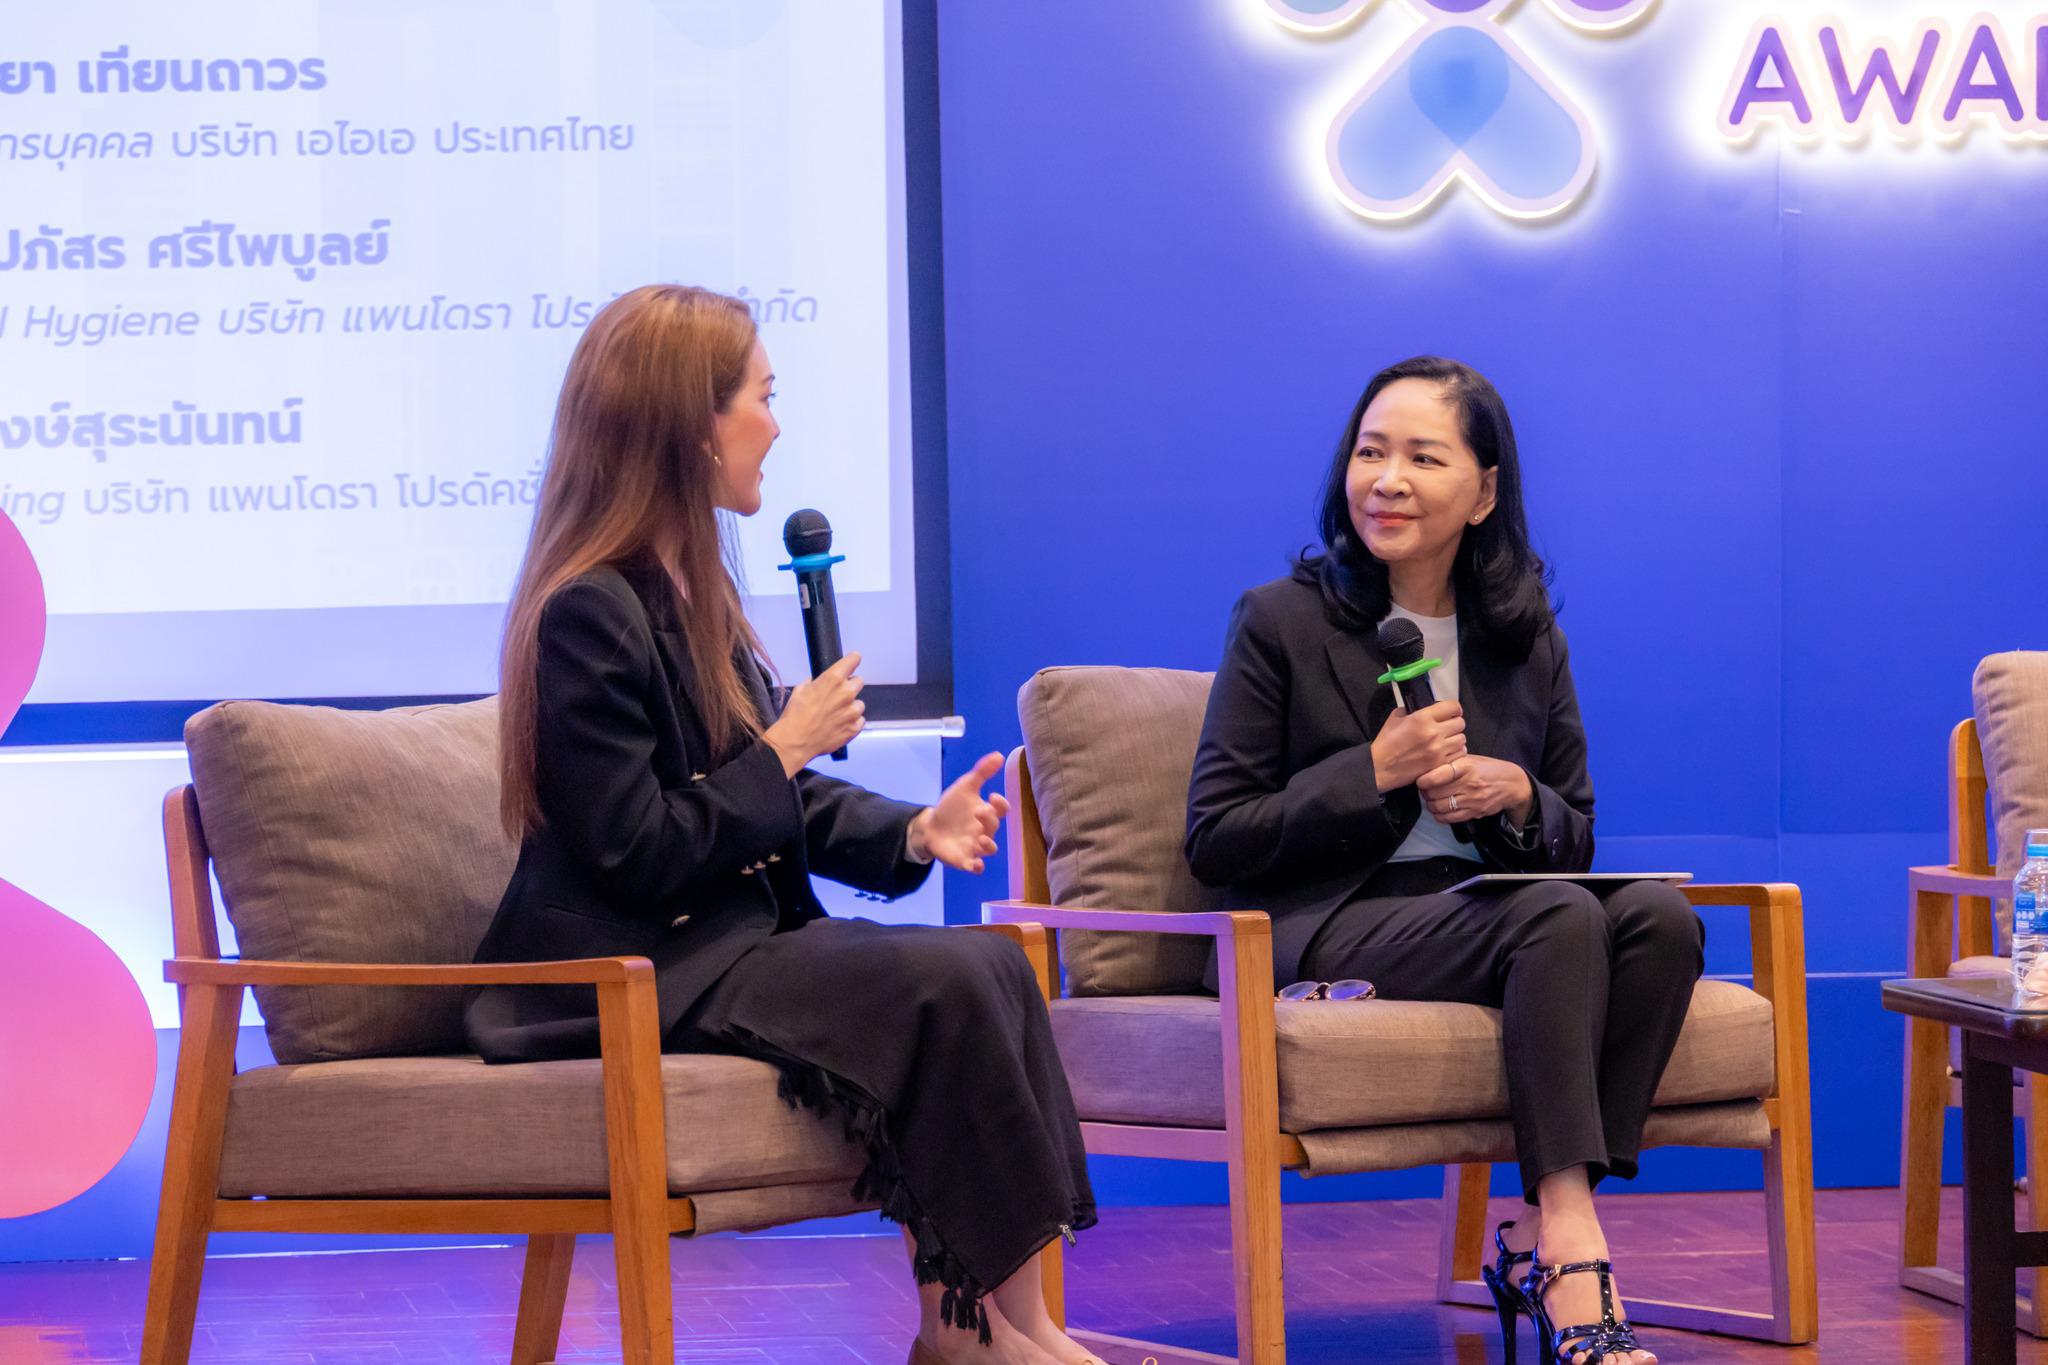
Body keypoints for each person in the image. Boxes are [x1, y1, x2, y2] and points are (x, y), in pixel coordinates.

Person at [465, 285, 1099, 1365]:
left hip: (721, 945)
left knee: (990, 960)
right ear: (691, 425)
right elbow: (637, 849)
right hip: (633, 967)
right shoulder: (587, 611)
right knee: (936, 983)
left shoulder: (687, 593)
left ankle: (1016, 1327)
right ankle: (970, 1338)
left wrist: (913, 832)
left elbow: (769, 797)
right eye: (761, 397)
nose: (775, 423)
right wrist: (784, 746)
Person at [1184, 357, 1702, 1365]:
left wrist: (1519, 796)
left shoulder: (1523, 636)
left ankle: (1538, 1229)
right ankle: (1572, 1245)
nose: (1386, 480)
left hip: (1475, 904)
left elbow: (1576, 826)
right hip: (1323, 921)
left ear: (1484, 491)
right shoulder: (1280, 620)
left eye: (1423, 458)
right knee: (1558, 915)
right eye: (1370, 452)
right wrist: (1370, 773)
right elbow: (1216, 834)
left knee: (1659, 920)